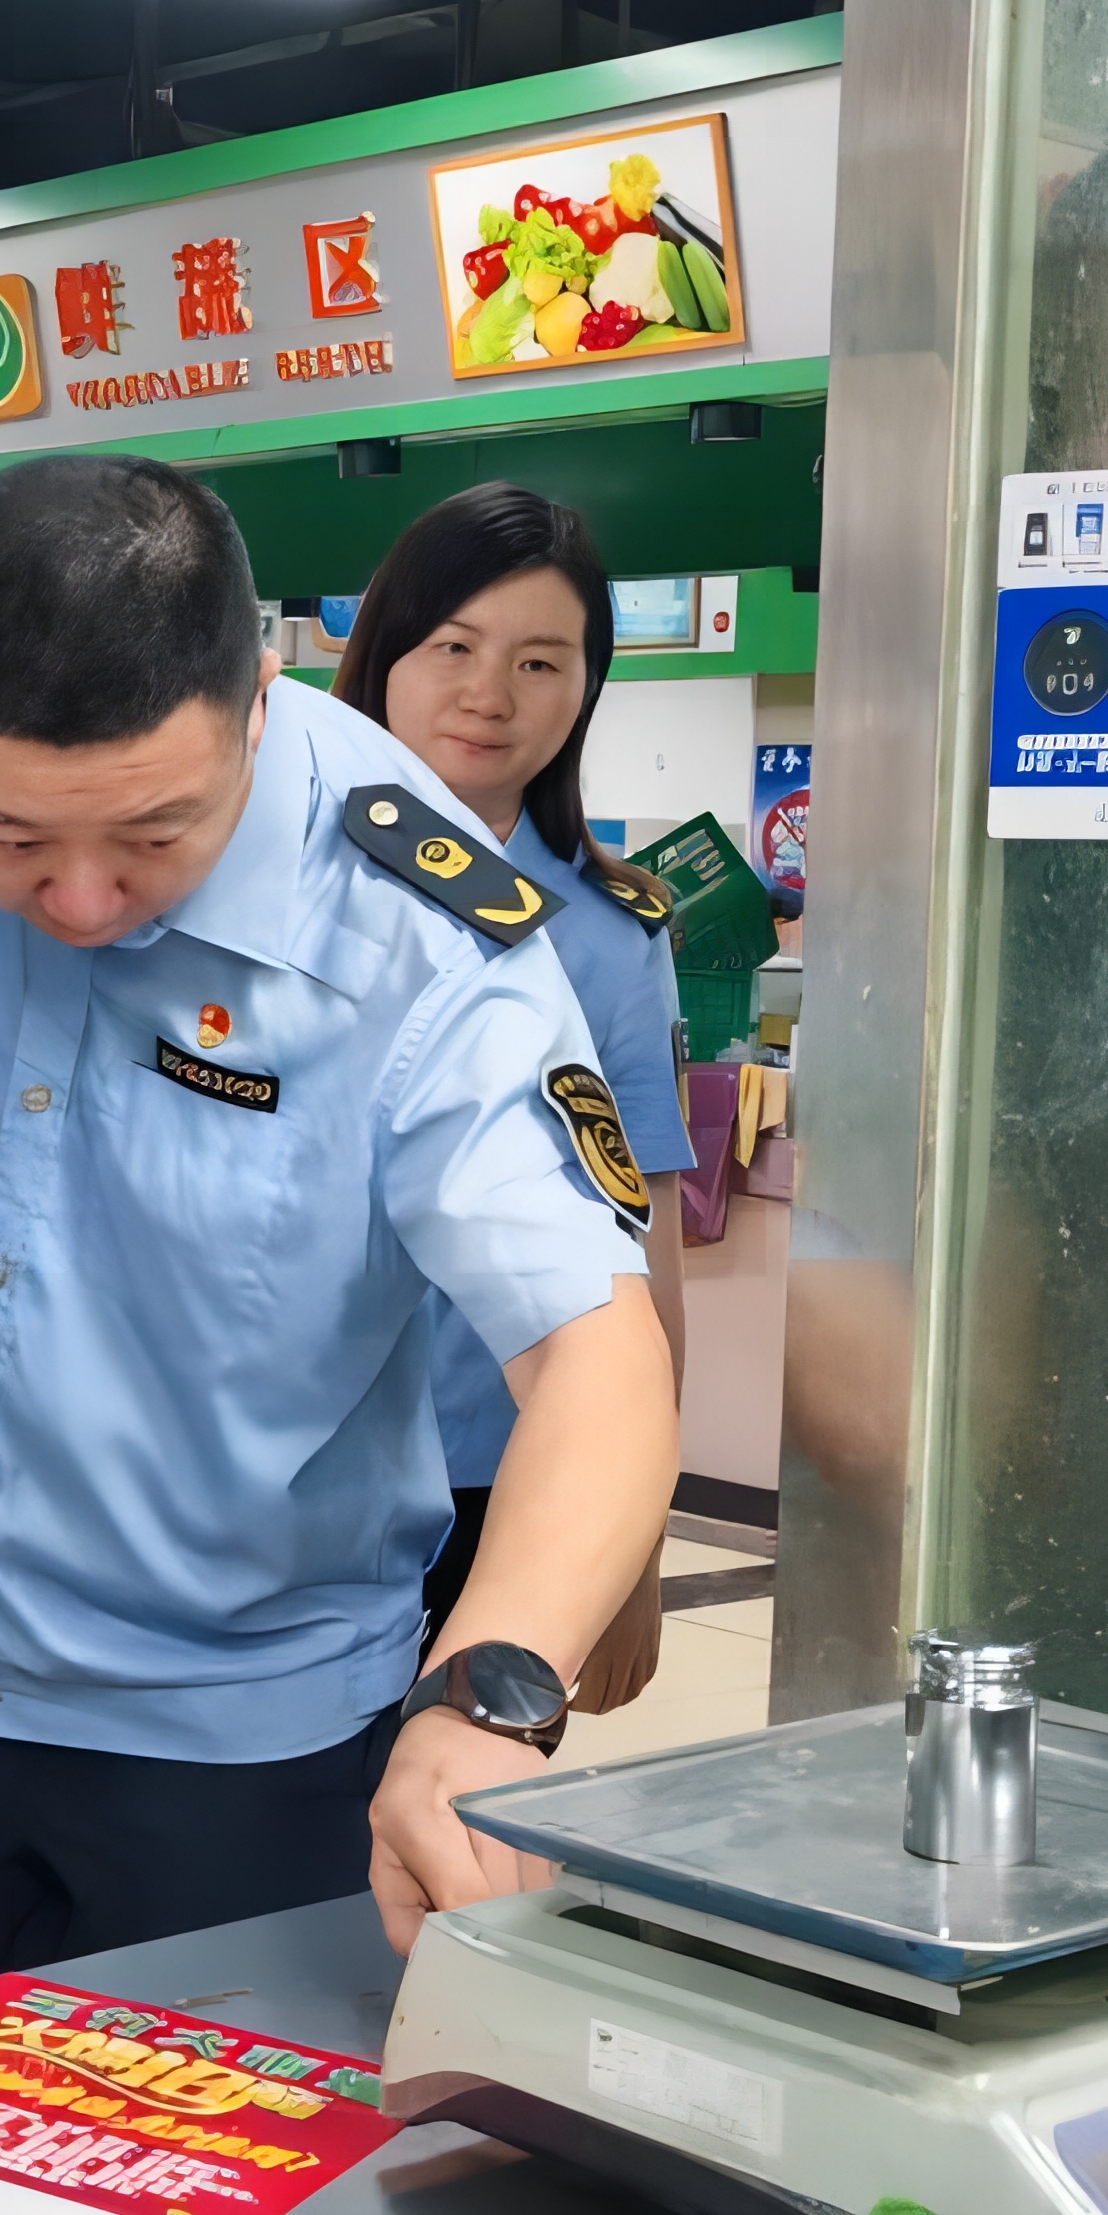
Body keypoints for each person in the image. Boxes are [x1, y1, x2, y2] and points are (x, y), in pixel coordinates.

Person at [0, 455, 681, 2018]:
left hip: (252, 1732)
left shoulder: (420, 930)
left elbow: (598, 1352)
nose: (82, 898)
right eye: (8, 838)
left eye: (156, 834)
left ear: (258, 699)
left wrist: (485, 1697)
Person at [331, 483, 695, 1704]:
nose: (490, 695)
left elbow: (639, 1249)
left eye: (542, 661)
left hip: (507, 1471)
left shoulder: (608, 933)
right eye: (453, 648)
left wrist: (633, 1547)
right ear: (384, 654)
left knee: (450, 1834)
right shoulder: (260, 884)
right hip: (280, 1463)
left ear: (586, 688)